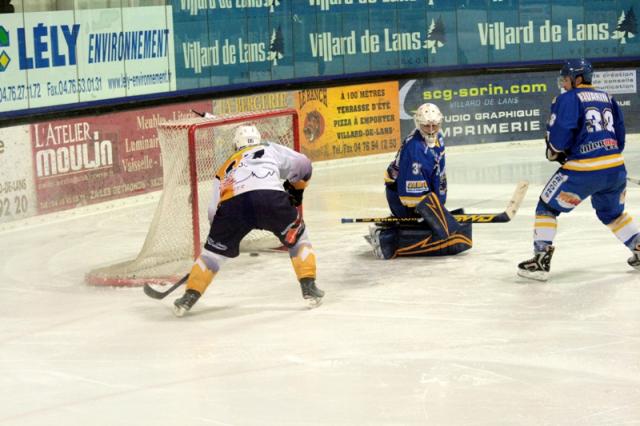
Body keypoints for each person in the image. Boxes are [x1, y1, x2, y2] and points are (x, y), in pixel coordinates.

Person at [173, 124, 324, 316]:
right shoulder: (268, 148)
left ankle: (188, 298)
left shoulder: (223, 169)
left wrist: (220, 239)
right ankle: (309, 287)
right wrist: (297, 189)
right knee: (299, 238)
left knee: (211, 256)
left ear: (236, 145)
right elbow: (304, 164)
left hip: (233, 207)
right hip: (271, 199)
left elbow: (213, 211)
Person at [517, 58, 640, 281]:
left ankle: (541, 258)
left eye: (566, 79)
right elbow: (619, 139)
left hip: (583, 170)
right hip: (615, 169)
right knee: (613, 213)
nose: (563, 84)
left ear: (578, 79)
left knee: (546, 207)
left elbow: (558, 140)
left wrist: (557, 149)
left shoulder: (568, 98)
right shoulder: (608, 97)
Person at [367, 103, 472, 259]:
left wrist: (438, 204)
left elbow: (438, 174)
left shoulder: (439, 139)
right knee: (440, 230)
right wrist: (427, 213)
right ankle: (387, 238)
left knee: (444, 226)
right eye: (426, 126)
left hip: (418, 194)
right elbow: (410, 195)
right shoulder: (414, 148)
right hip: (400, 199)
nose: (431, 130)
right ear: (418, 124)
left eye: (434, 126)